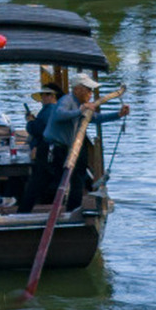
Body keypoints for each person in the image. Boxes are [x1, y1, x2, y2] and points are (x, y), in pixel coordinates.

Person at [40, 71, 130, 210]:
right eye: (88, 89)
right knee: (55, 182)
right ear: (77, 89)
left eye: (91, 90)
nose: (91, 93)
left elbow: (96, 118)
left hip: (69, 147)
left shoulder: (82, 104)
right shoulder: (67, 100)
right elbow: (59, 115)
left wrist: (118, 114)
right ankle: (53, 211)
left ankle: (73, 209)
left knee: (78, 180)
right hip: (54, 148)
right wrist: (80, 110)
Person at [18, 81, 60, 212]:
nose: (44, 98)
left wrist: (30, 122)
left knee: (38, 181)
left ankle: (24, 210)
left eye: (47, 95)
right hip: (48, 149)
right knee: (44, 179)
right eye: (43, 95)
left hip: (46, 149)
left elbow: (39, 130)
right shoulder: (51, 110)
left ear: (53, 96)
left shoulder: (50, 110)